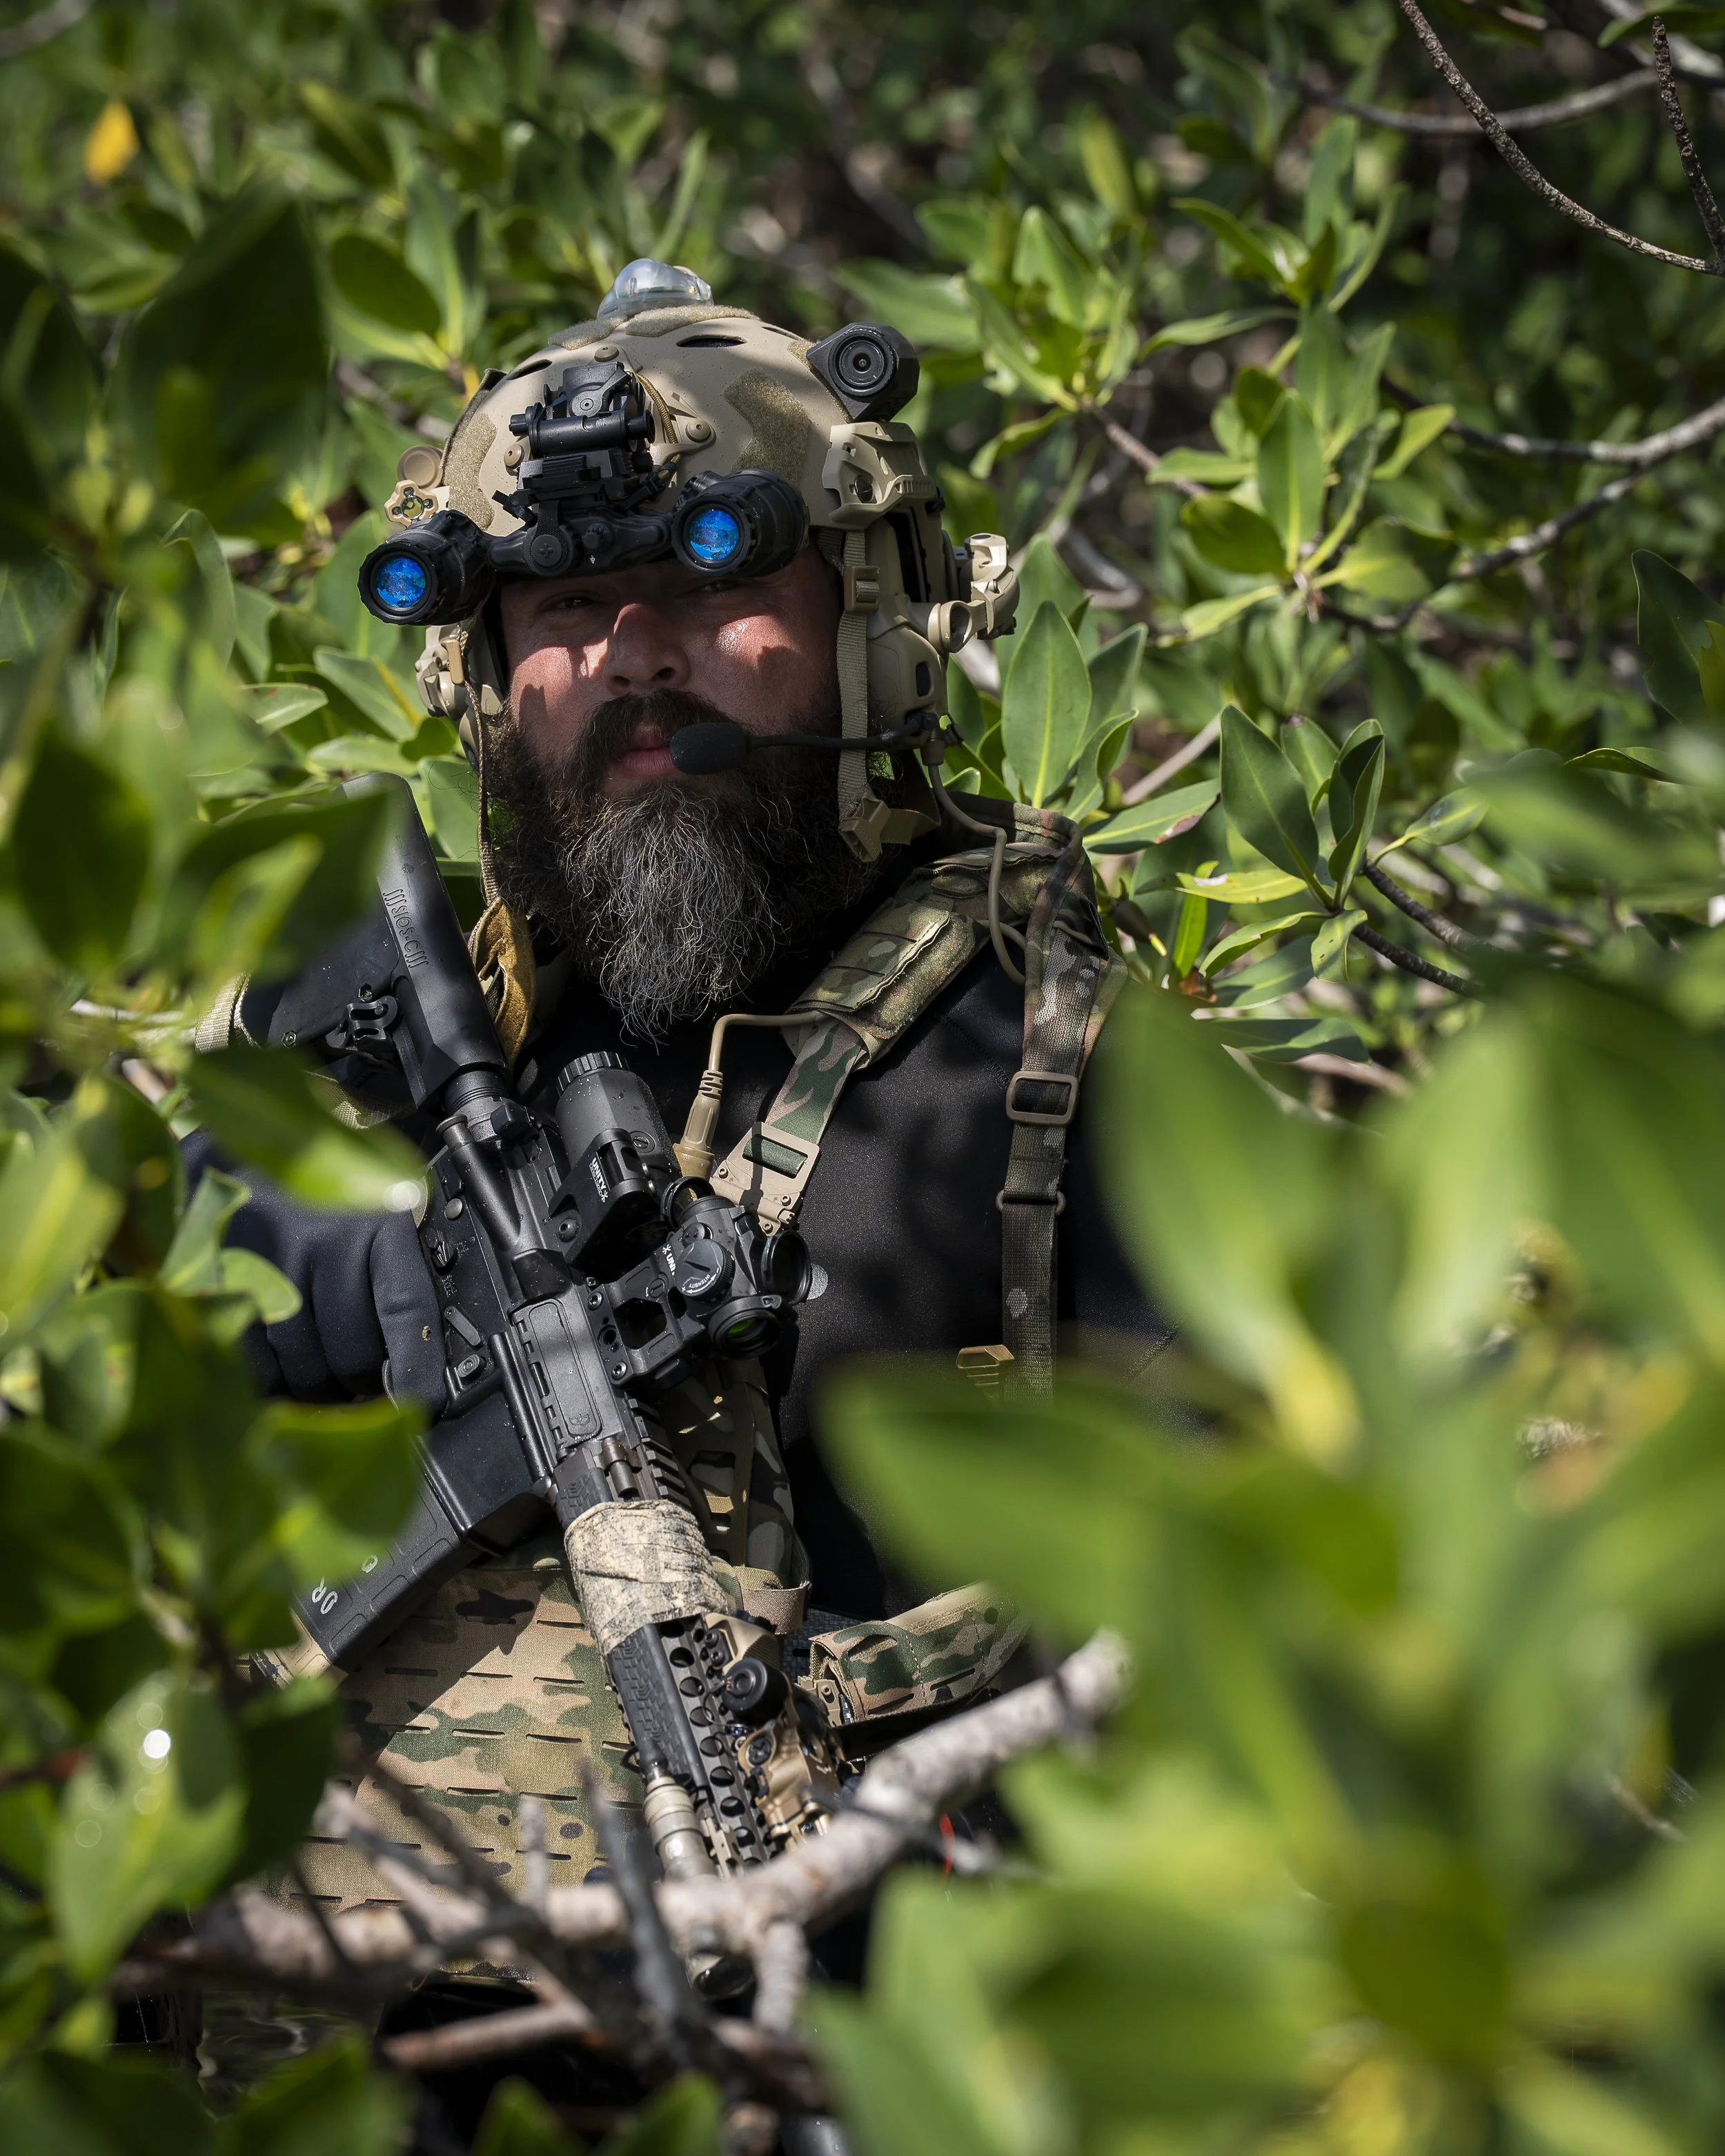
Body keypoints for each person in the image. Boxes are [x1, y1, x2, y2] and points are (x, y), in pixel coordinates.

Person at [196, 259, 1169, 1979]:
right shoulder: (337, 1055)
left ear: (869, 612)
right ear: (478, 669)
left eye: (711, 571)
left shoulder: (1052, 1082)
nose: (633, 648)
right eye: (555, 604)